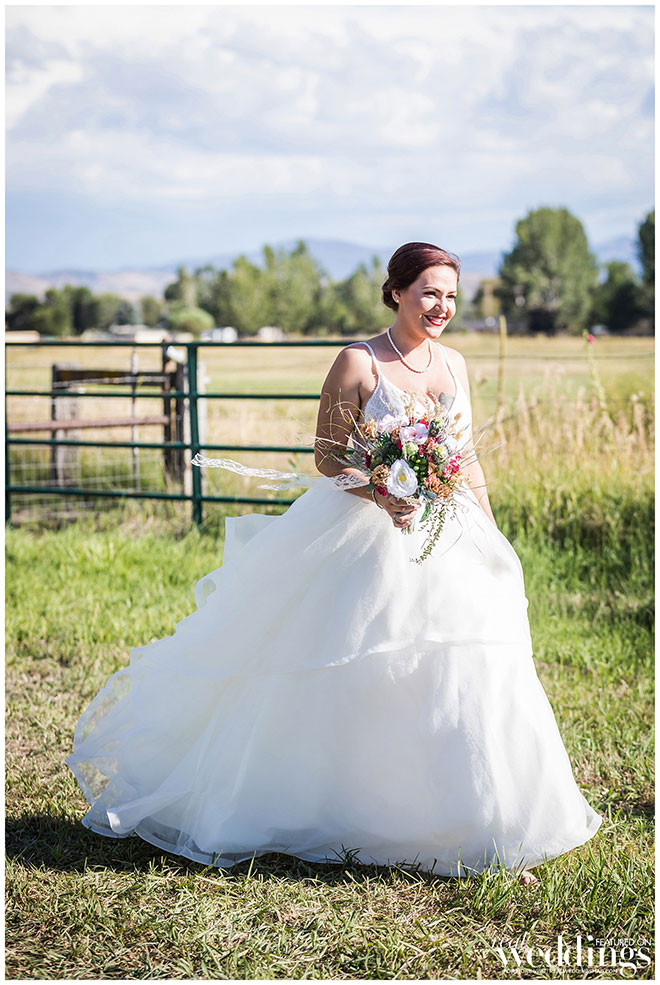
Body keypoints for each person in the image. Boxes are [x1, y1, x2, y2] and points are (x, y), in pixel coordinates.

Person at [66, 242, 602, 887]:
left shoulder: (455, 364)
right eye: (430, 292)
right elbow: (326, 457)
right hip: (363, 534)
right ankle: (345, 809)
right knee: (351, 659)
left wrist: (491, 535)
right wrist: (381, 489)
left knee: (462, 665)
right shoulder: (359, 361)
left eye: (451, 296)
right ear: (397, 291)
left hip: (445, 532)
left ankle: (472, 816)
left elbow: (467, 460)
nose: (442, 307)